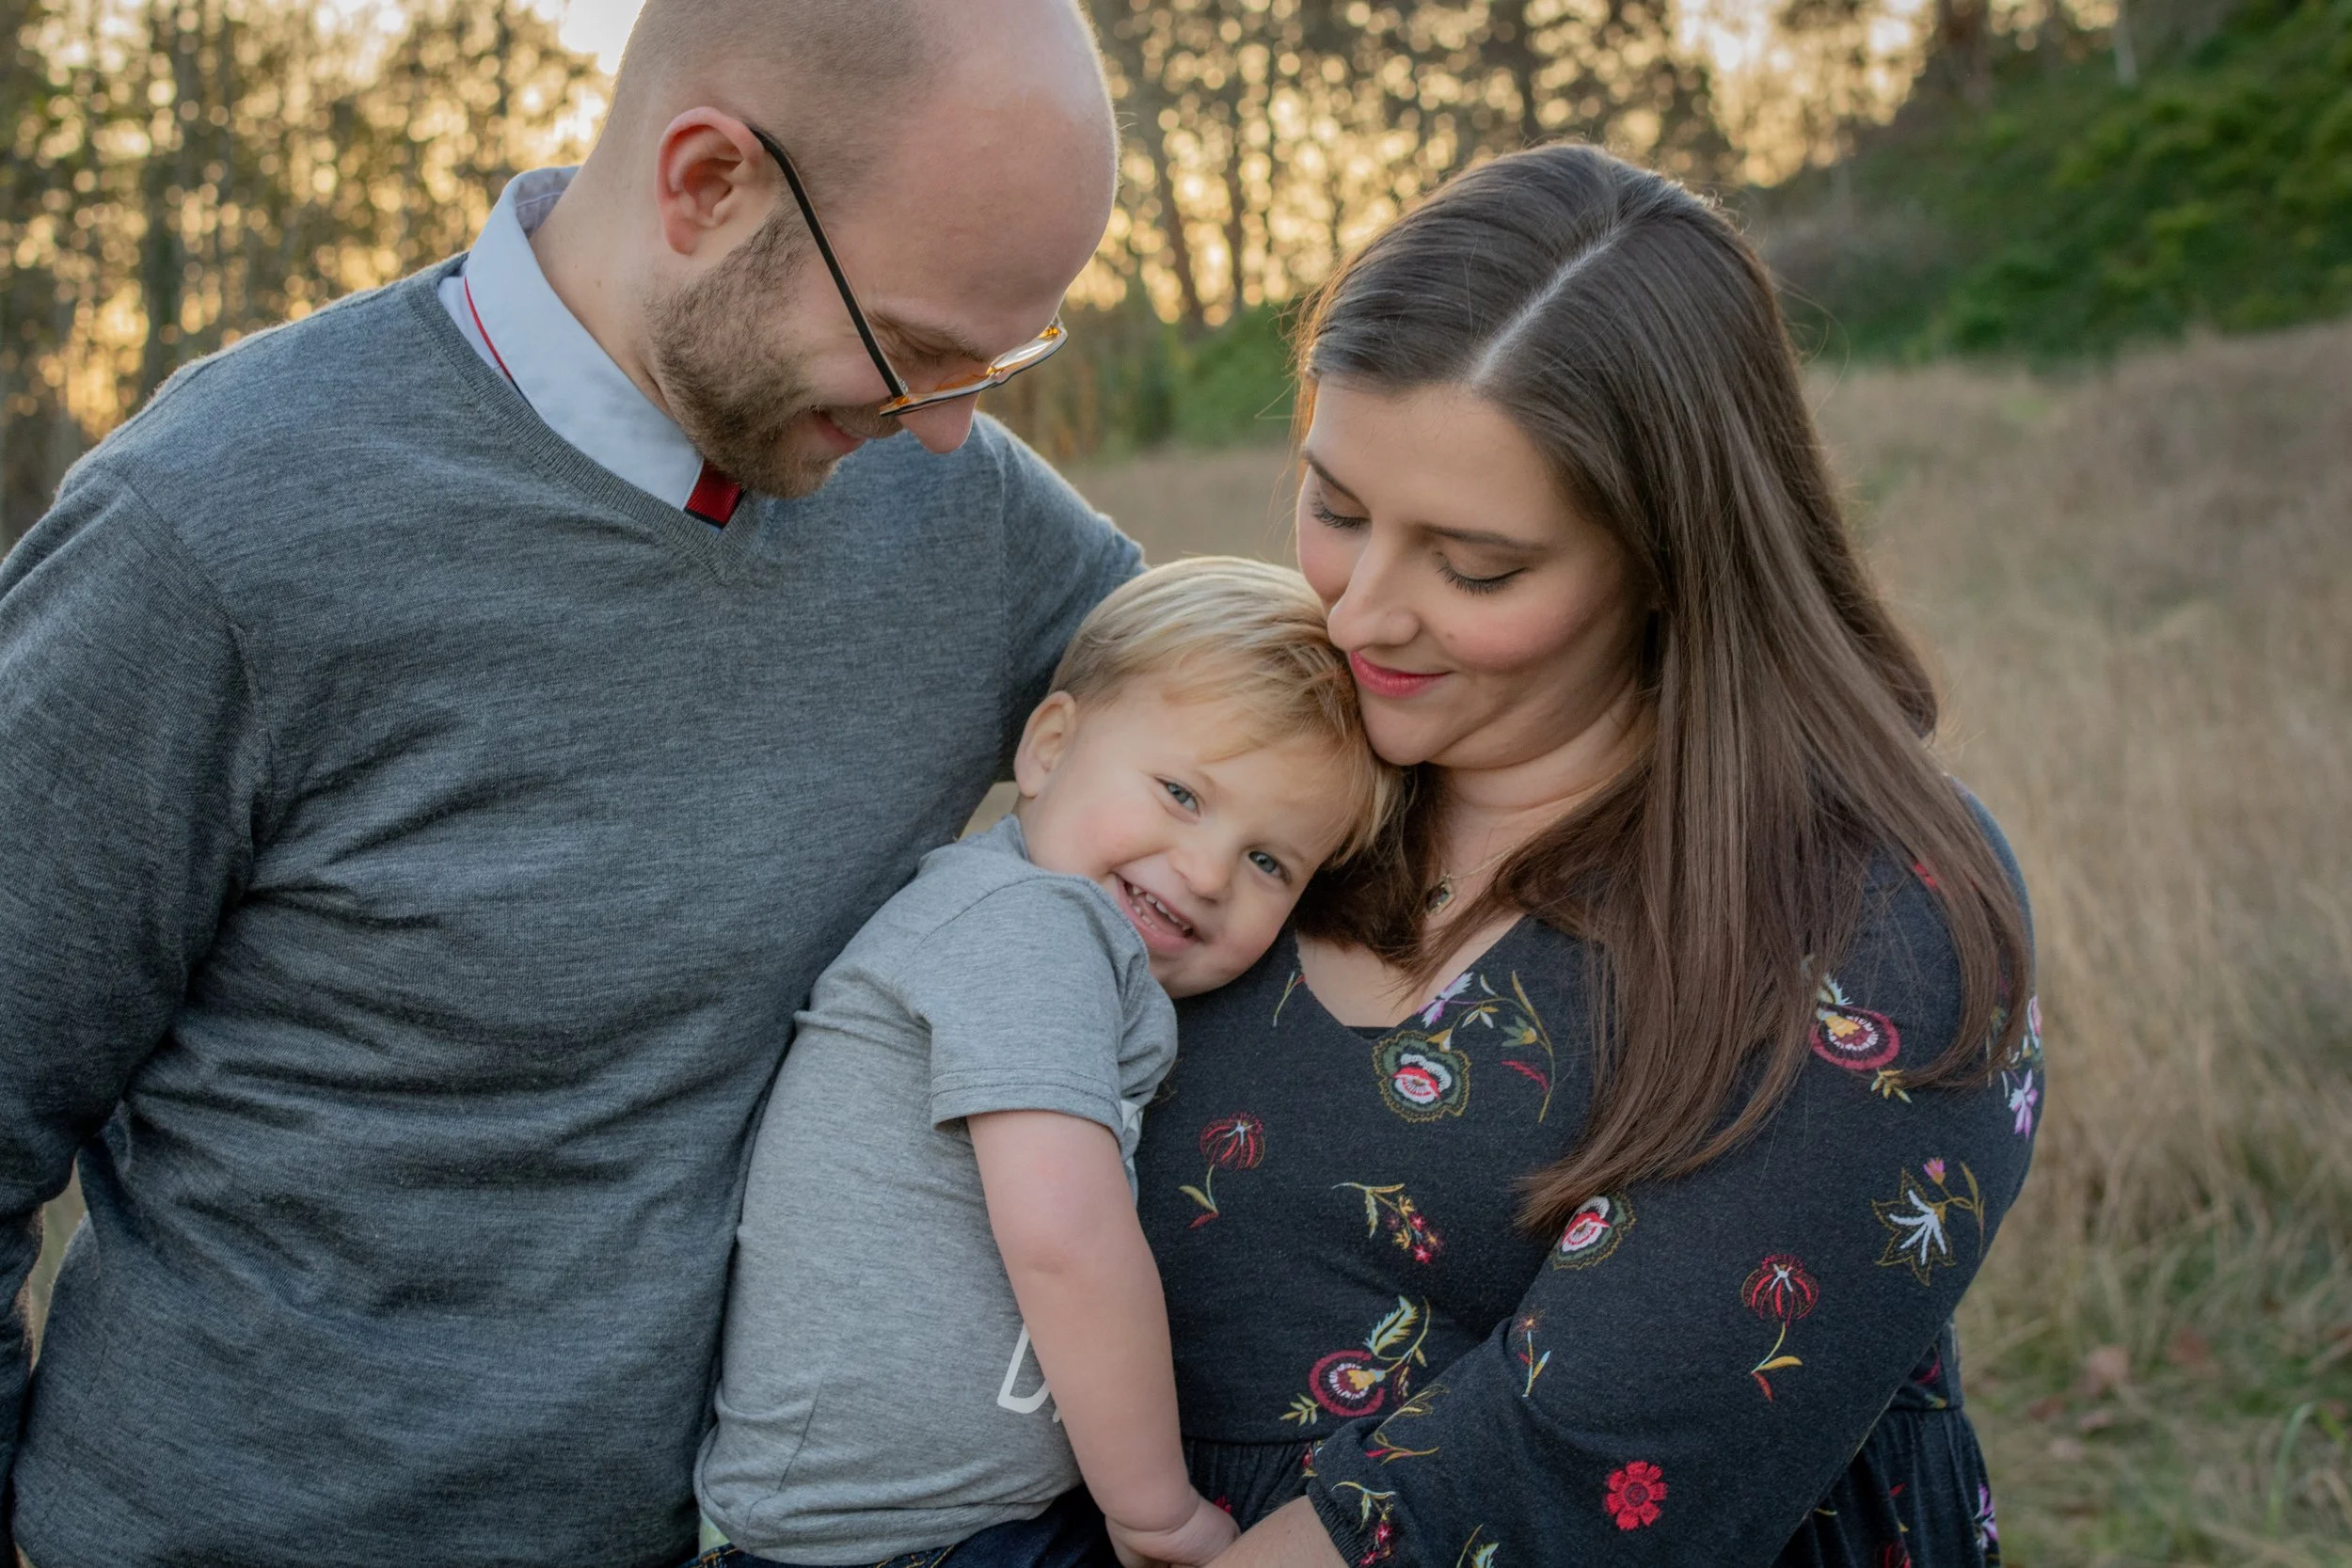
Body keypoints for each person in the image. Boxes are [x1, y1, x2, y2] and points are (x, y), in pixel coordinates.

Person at [0, 3, 1134, 1565]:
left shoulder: (959, 516)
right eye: (918, 349)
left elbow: (1281, 732)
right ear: (706, 182)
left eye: (999, 364)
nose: (948, 432)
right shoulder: (210, 535)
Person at [1133, 144, 2042, 1568]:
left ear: (1672, 551)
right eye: (1338, 508)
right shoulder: (1252, 775)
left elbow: (1569, 1470)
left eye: (1474, 565)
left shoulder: (1859, 910)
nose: (1362, 611)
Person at [695, 559, 1401, 1568]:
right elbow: (1064, 1235)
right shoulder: (1028, 925)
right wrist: (1155, 1507)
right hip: (879, 1541)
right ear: (1051, 743)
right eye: (1180, 792)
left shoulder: (1064, 936)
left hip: (966, 1518)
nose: (1204, 872)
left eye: (1268, 861)